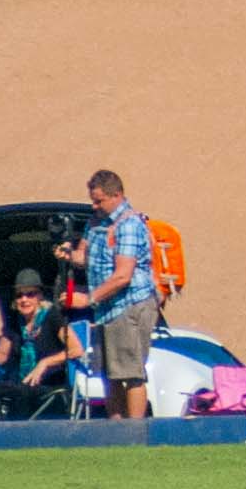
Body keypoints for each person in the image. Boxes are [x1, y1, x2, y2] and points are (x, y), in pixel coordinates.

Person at [69, 169, 161, 422]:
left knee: (131, 374)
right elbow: (82, 257)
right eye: (93, 199)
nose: (94, 205)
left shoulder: (130, 225)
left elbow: (123, 276)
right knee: (109, 374)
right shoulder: (95, 222)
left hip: (129, 305)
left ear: (117, 195)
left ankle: (134, 432)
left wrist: (88, 299)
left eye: (99, 200)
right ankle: (116, 431)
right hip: (105, 309)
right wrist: (67, 253)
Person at [0, 269, 79, 420]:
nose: (24, 299)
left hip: (48, 383)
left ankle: (18, 434)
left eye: (30, 294)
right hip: (21, 382)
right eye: (19, 295)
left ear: (39, 296)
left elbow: (76, 349)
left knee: (22, 393)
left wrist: (45, 363)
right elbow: (2, 356)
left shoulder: (52, 317)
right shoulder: (14, 321)